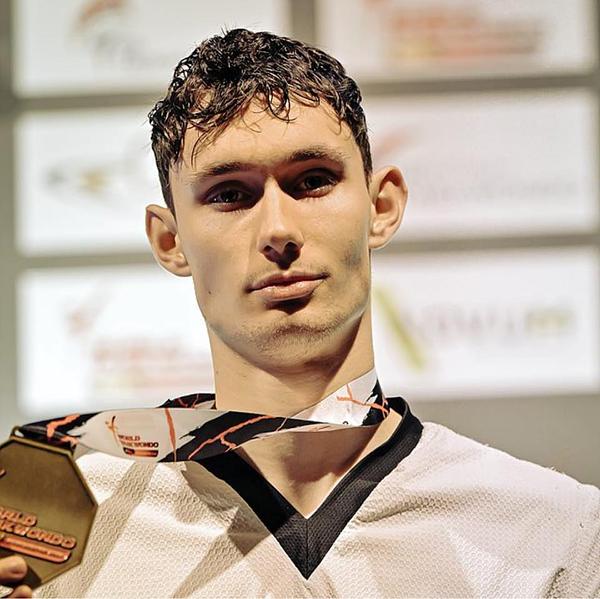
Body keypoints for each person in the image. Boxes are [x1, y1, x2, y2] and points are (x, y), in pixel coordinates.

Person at [2, 28, 599, 598]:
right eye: (230, 194)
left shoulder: (561, 535)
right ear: (170, 241)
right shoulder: (42, 537)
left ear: (381, 207)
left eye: (312, 181)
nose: (279, 230)